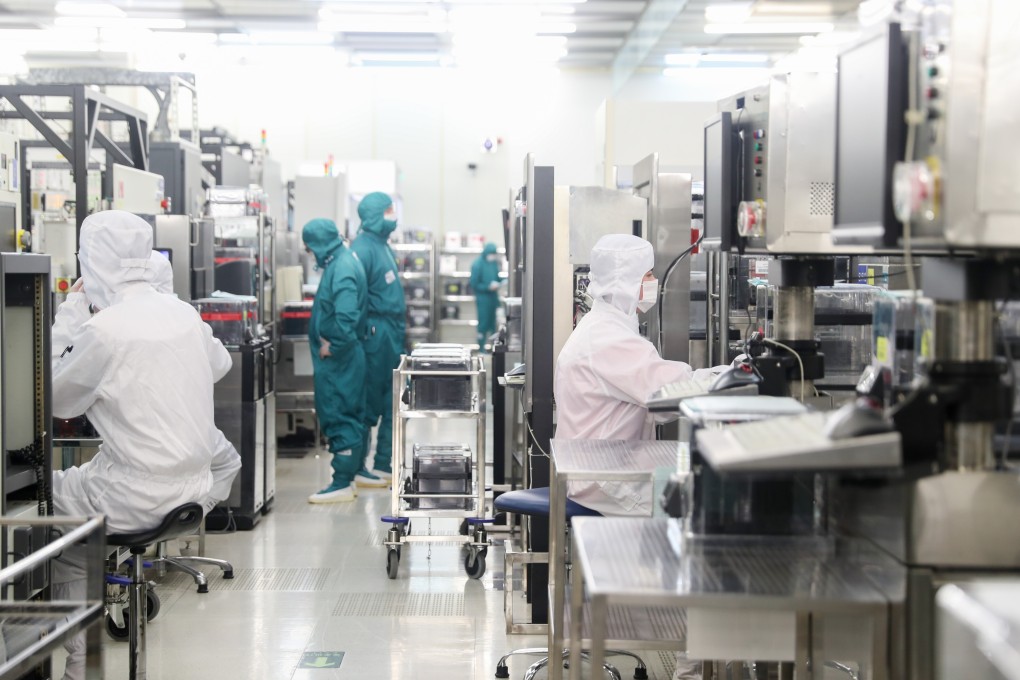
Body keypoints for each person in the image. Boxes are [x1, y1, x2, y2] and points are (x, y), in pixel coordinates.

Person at [49, 211, 240, 680]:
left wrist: (70, 314)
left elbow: (54, 398)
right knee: (96, 474)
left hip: (133, 500)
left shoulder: (103, 329)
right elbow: (217, 365)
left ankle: (79, 666)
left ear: (90, 261)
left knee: (43, 505)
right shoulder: (182, 313)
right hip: (195, 490)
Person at [554, 233, 723, 516]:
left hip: (600, 465)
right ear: (626, 281)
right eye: (648, 275)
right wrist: (732, 378)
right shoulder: (608, 338)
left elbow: (653, 404)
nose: (653, 282)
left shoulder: (605, 326)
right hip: (604, 480)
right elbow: (671, 389)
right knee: (687, 509)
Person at [302, 218, 369, 503]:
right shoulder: (342, 260)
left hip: (339, 359)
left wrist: (336, 344)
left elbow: (346, 314)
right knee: (349, 412)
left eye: (308, 248)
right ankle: (349, 476)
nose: (309, 253)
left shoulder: (341, 268)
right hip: (346, 356)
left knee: (339, 412)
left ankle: (341, 481)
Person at [350, 192, 405, 485]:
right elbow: (356, 297)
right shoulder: (363, 248)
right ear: (373, 214)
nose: (392, 215)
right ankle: (359, 466)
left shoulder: (383, 246)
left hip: (392, 332)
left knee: (391, 399)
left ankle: (384, 462)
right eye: (387, 210)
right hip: (375, 334)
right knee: (369, 399)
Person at [469, 242, 503, 351]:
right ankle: (481, 347)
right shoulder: (477, 264)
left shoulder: (493, 263)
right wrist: (487, 287)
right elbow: (474, 284)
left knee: (493, 324)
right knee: (483, 323)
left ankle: (493, 348)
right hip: (483, 299)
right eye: (491, 253)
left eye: (494, 253)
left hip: (493, 298)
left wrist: (502, 282)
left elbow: (497, 278)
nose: (492, 255)